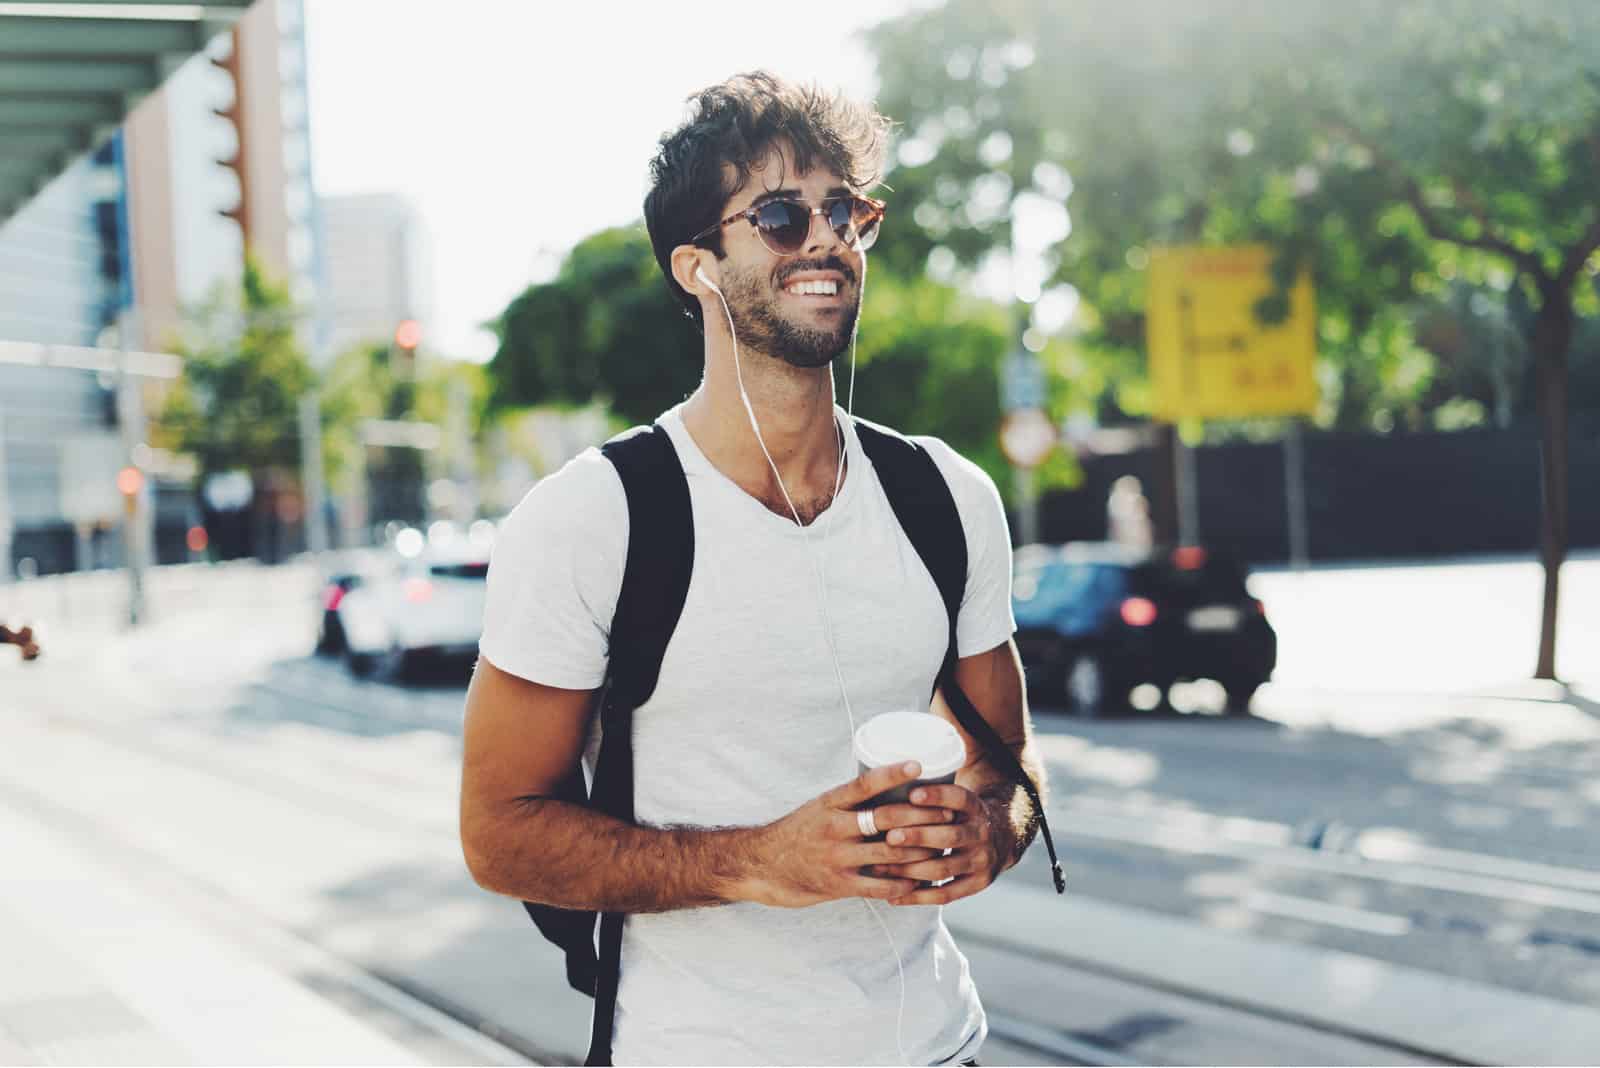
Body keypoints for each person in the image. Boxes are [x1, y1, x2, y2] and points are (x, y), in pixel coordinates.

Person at [459, 71, 1048, 1067]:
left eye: (844, 211)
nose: (825, 239)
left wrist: (991, 832)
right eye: (778, 214)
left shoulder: (946, 497)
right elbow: (501, 834)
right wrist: (754, 862)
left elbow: (1012, 766)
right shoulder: (591, 521)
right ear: (697, 266)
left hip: (942, 1047)